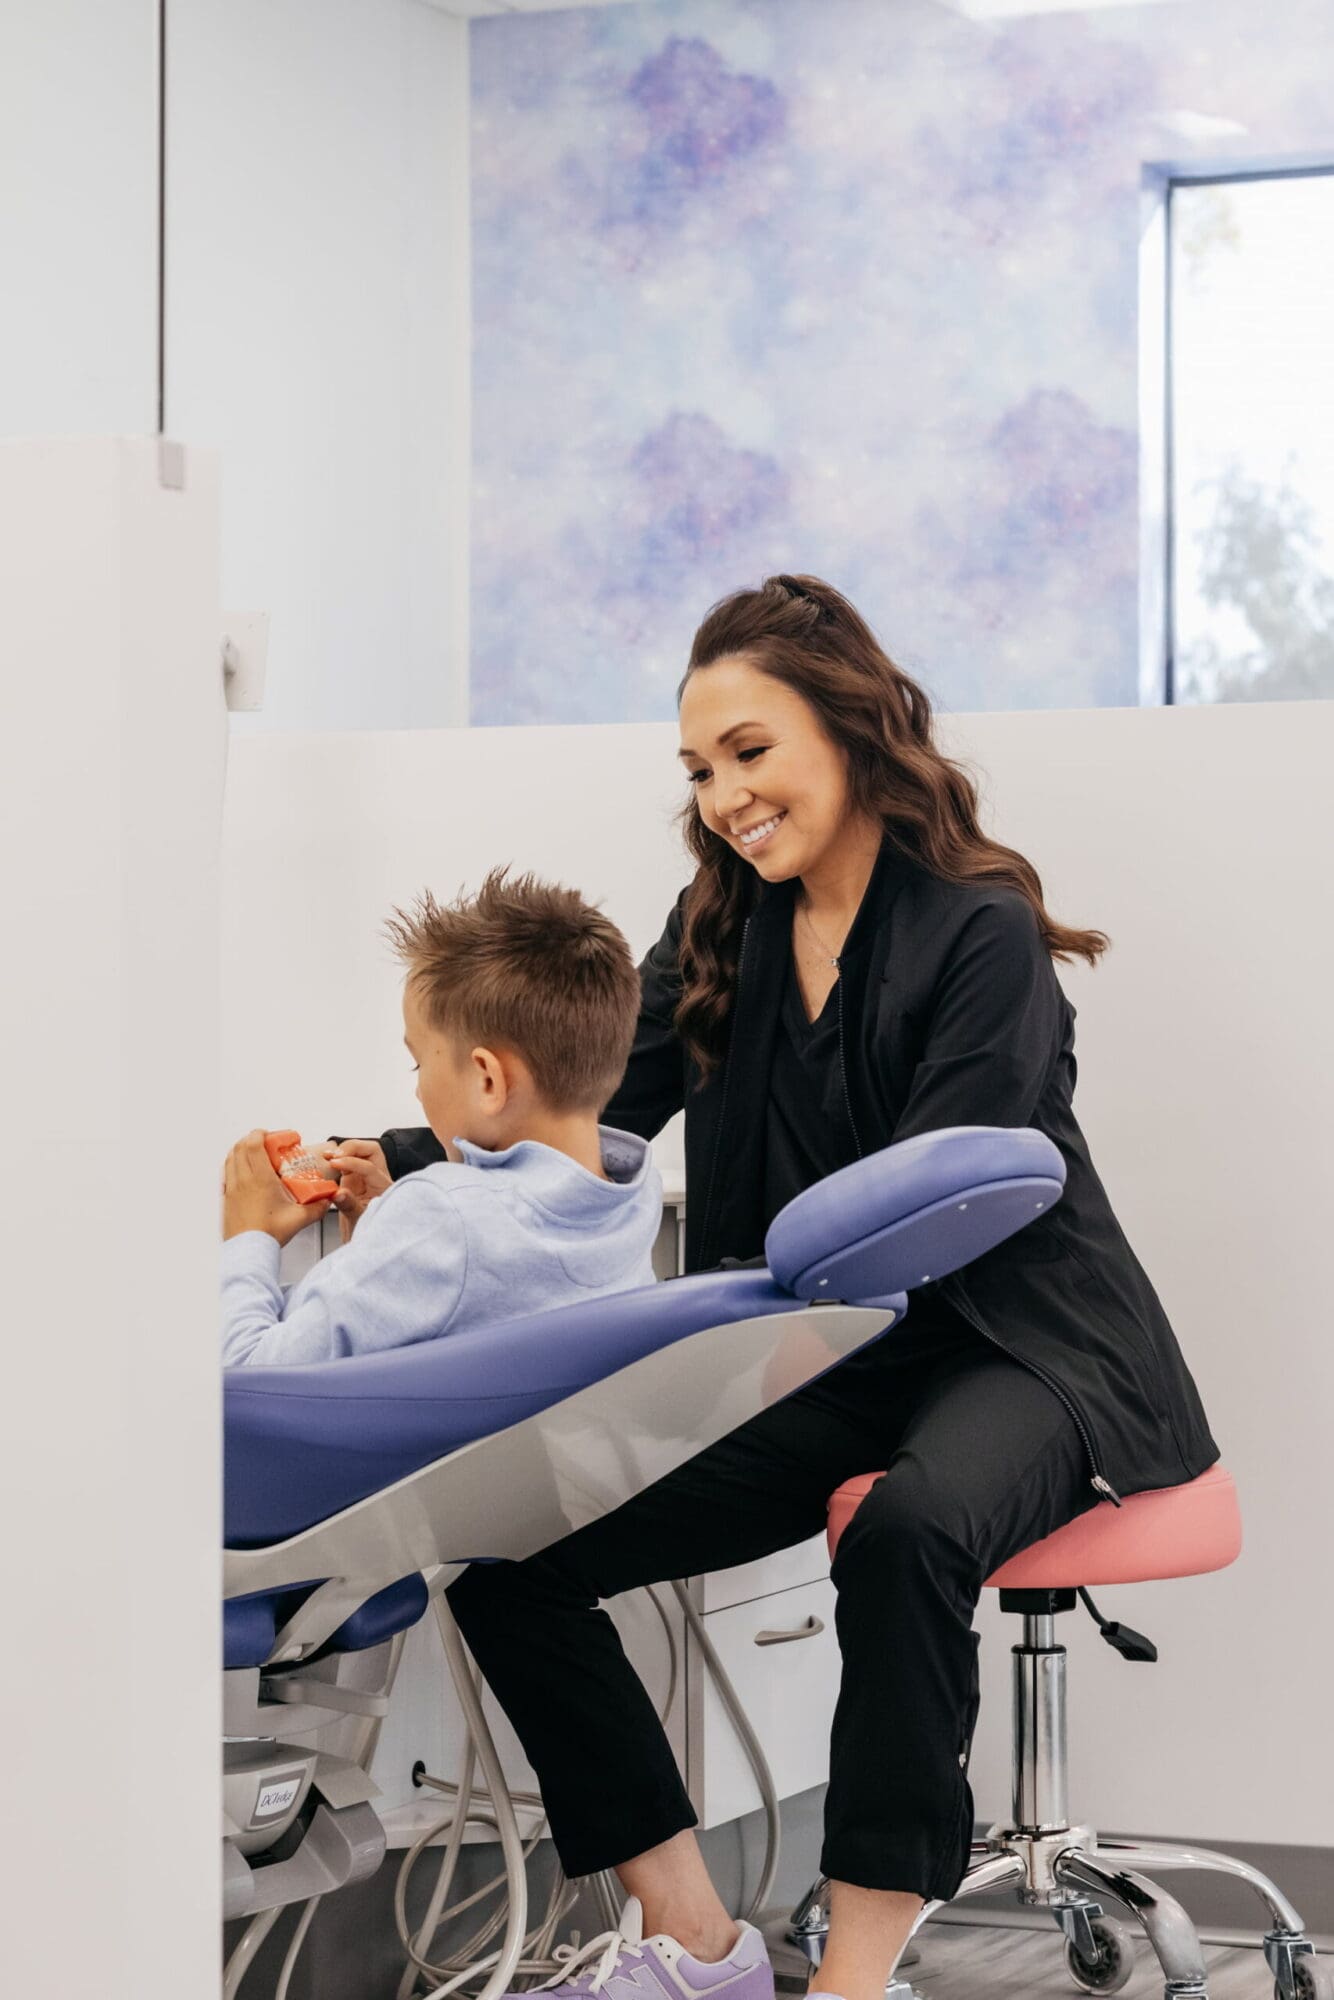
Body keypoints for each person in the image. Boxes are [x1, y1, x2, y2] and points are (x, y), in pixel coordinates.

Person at [364, 575, 1220, 2000]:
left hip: (1023, 1346)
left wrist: (736, 1336)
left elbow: (945, 1194)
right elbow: (583, 1102)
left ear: (848, 728)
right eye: (700, 770)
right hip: (838, 1358)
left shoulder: (977, 932)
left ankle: (852, 1978)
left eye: (749, 752)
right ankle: (699, 1947)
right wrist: (392, 1157)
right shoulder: (718, 928)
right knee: (511, 1559)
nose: (724, 798)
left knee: (905, 1527)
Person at [219, 868, 662, 1368]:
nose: (418, 1087)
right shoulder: (632, 1195)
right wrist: (382, 1247)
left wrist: (248, 1237)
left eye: (419, 1064)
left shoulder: (442, 1220)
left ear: (488, 1081)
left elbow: (244, 1374)